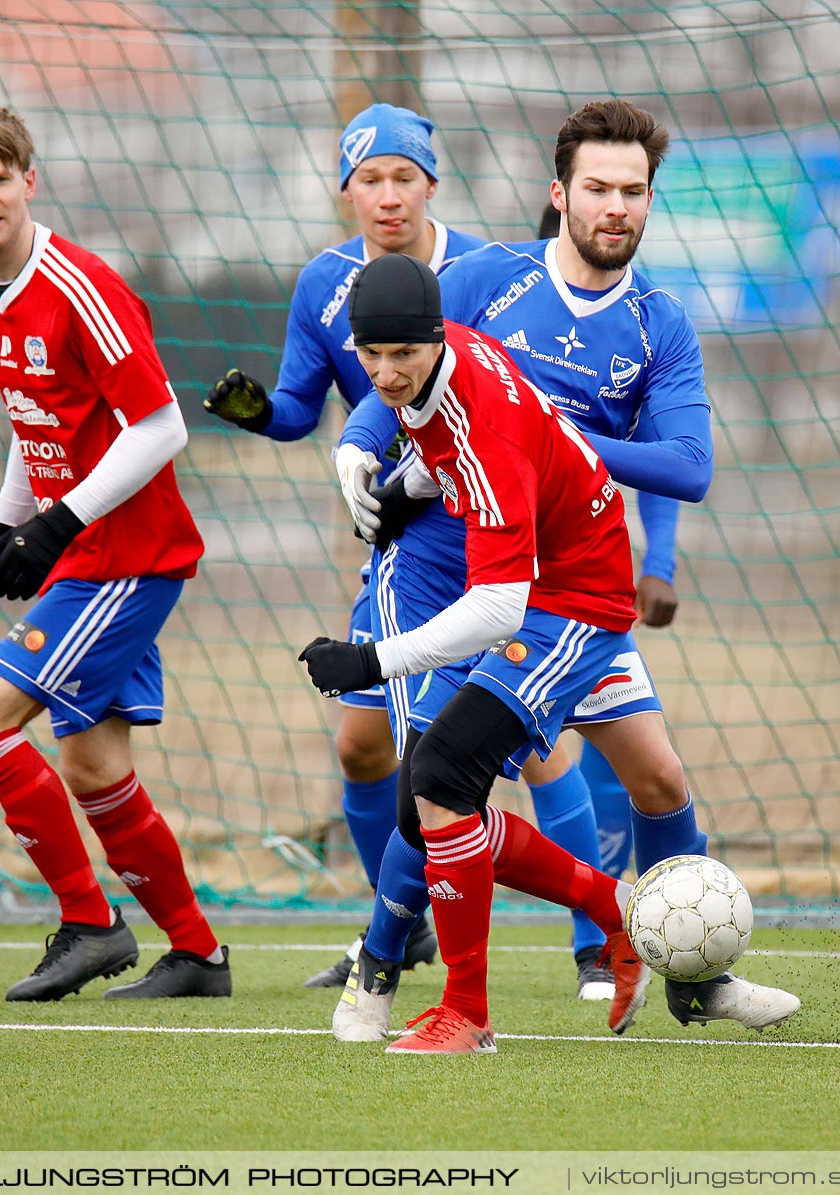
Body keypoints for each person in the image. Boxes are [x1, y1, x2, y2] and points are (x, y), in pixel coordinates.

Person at [339, 100, 798, 1032]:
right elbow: (400, 360)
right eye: (598, 188)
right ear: (561, 194)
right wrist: (356, 445)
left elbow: (688, 466)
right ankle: (379, 970)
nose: (616, 207)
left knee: (660, 780)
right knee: (426, 785)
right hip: (448, 569)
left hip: (569, 589)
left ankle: (693, 978)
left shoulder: (660, 324)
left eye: (634, 191)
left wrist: (558, 438)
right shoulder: (487, 278)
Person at [203, 104, 599, 992]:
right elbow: (309, 411)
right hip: (406, 542)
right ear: (345, 190)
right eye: (369, 179)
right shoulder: (322, 284)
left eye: (403, 177)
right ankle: (399, 923)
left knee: (529, 745)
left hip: (497, 524)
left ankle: (591, 944)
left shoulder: (486, 270)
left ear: (431, 183)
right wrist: (261, 415)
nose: (387, 195)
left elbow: (512, 396)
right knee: (362, 745)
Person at [297, 252, 648, 1052]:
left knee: (441, 778)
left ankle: (469, 1014)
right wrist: (401, 488)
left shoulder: (483, 426)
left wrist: (372, 661)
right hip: (552, 587)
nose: (385, 375)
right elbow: (438, 448)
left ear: (432, 340)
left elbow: (498, 606)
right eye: (370, 355)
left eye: (401, 356)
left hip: (577, 603)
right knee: (438, 789)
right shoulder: (444, 358)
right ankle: (616, 912)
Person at [0, 107, 229, 1002]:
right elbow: (40, 427)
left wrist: (57, 526)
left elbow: (163, 425)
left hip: (127, 556)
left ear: (30, 181)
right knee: (95, 767)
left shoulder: (78, 282)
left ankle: (91, 924)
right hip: (87, 555)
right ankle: (199, 956)